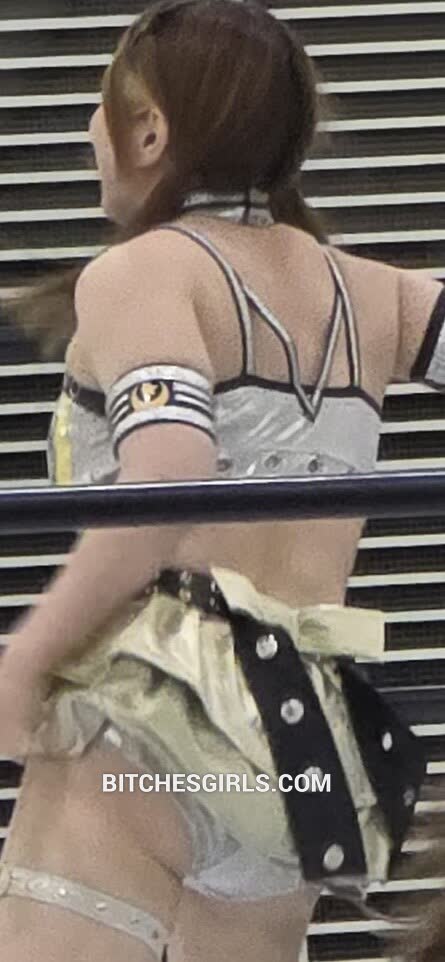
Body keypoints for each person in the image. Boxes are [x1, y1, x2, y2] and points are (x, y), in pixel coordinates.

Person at [0, 2, 444, 960]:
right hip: (305, 752)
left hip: (147, 731)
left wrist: (27, 655)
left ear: (149, 130)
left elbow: (169, 475)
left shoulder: (145, 274)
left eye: (103, 106)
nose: (89, 131)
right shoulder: (377, 291)